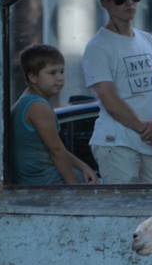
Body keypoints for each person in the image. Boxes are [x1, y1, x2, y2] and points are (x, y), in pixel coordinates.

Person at [82, 0, 152, 184]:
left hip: (148, 143)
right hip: (115, 142)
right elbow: (110, 100)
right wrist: (149, 132)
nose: (129, 2)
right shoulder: (98, 46)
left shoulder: (147, 39)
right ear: (105, 3)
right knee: (124, 212)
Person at [11, 44, 97, 186]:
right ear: (33, 77)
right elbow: (56, 151)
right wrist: (74, 188)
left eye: (61, 71)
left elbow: (58, 148)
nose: (59, 78)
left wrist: (83, 166)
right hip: (44, 182)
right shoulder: (38, 106)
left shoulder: (27, 100)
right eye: (52, 73)